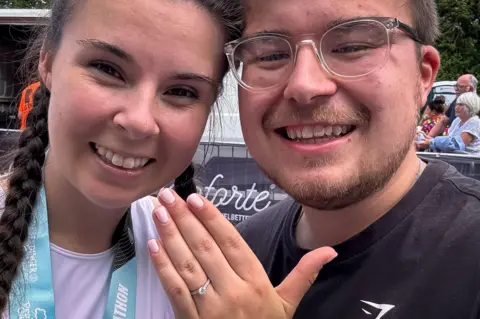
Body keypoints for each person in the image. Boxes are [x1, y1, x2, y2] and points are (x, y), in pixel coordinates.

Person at [226, 0, 480, 318]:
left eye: (351, 46)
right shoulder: (238, 258)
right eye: (270, 55)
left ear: (423, 76)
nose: (304, 85)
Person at [0, 0, 248, 317]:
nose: (140, 122)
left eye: (183, 91)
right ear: (47, 62)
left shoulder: (208, 279)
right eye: (107, 69)